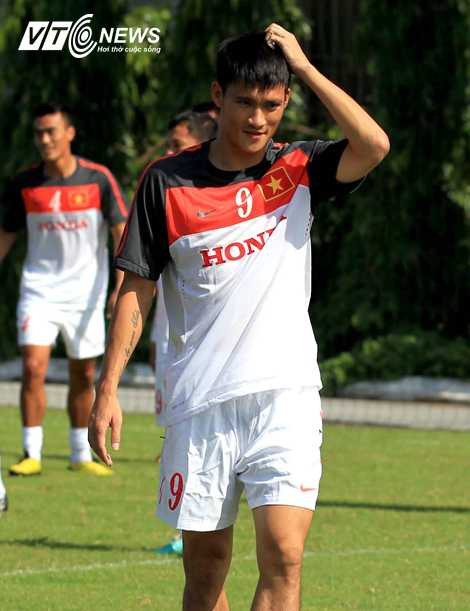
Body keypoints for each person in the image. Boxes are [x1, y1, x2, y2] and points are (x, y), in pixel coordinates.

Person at [89, 24, 389, 610]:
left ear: (286, 102)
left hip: (284, 396)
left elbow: (373, 145)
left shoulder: (299, 167)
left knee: (285, 557)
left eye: (272, 106)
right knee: (205, 573)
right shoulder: (166, 182)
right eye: (245, 103)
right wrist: (108, 388)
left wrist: (304, 66)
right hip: (200, 404)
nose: (258, 119)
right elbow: (137, 290)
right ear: (217, 96)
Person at [0, 102, 128, 477]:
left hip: (86, 294)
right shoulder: (25, 183)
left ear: (69, 133)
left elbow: (121, 233)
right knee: (32, 366)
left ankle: (80, 455)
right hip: (38, 290)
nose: (44, 140)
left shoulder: (98, 179)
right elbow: (6, 235)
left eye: (51, 131)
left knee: (84, 374)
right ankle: (31, 453)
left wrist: (120, 287)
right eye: (38, 133)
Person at [151, 109, 218, 557]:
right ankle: (185, 527)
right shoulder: (162, 188)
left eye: (177, 144)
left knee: (189, 438)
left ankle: (191, 529)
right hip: (168, 342)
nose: (169, 151)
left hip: (196, 352)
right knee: (171, 436)